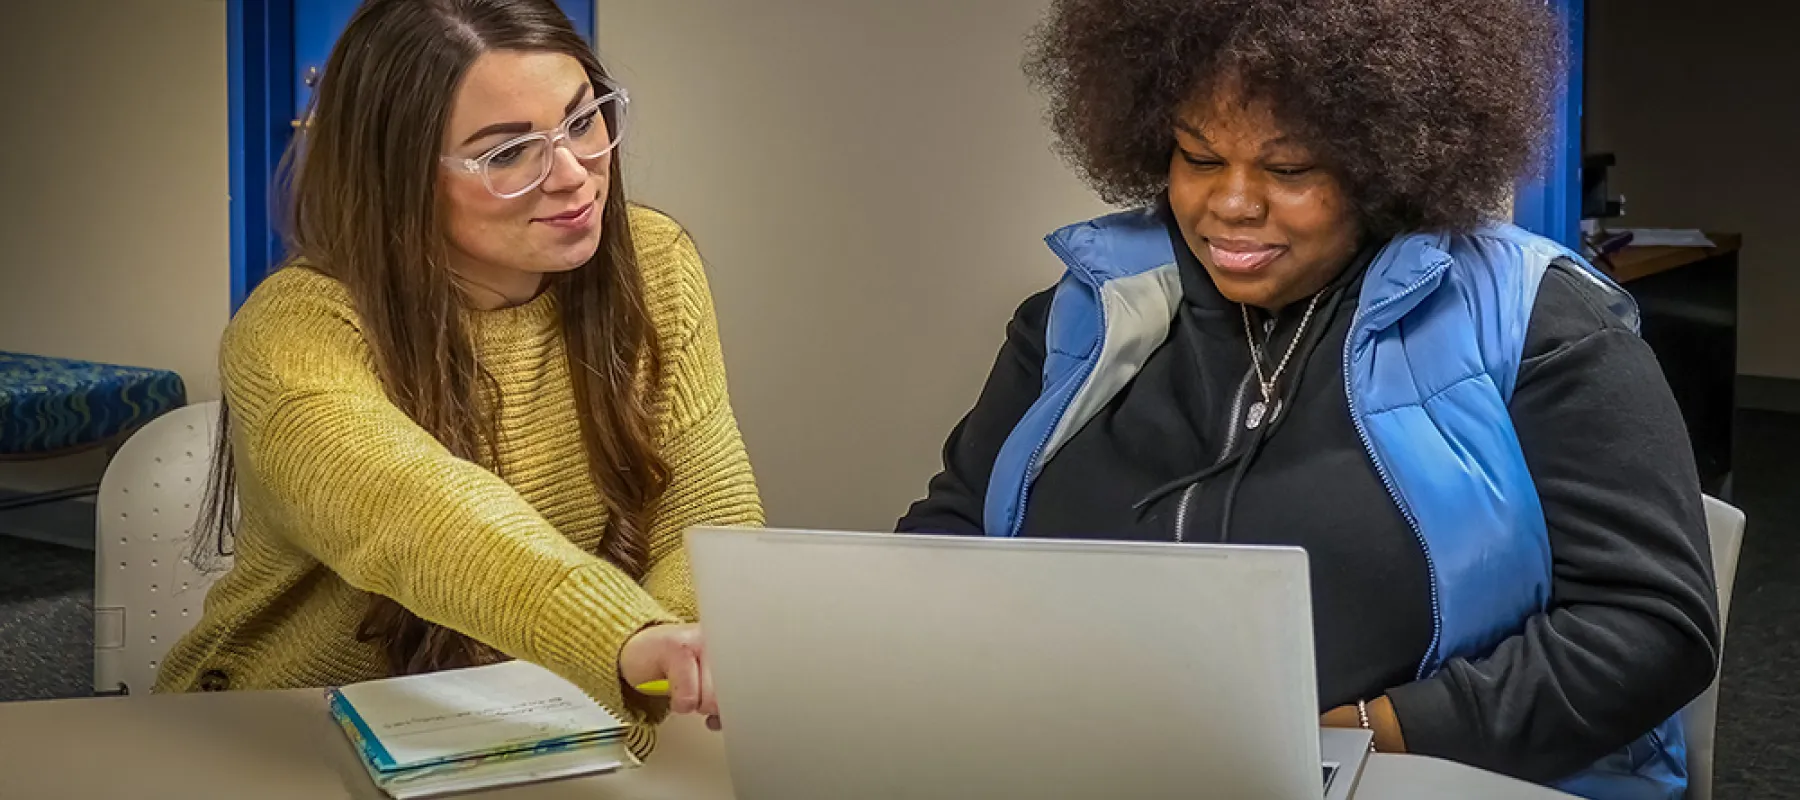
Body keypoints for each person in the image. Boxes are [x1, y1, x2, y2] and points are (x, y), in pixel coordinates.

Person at [898, 0, 1718, 796]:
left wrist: (1367, 732)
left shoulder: (1533, 322)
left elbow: (1649, 627)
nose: (1232, 205)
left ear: (1384, 161)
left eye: (1289, 169)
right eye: (1199, 158)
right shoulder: (1084, 313)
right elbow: (953, 532)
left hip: (1431, 775)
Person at [155, 0, 761, 756]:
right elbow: (417, 514)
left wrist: (673, 659)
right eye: (507, 153)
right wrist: (624, 637)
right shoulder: (294, 331)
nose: (575, 175)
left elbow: (707, 511)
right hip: (285, 735)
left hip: (543, 724)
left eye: (582, 120)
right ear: (399, 177)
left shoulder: (655, 262)